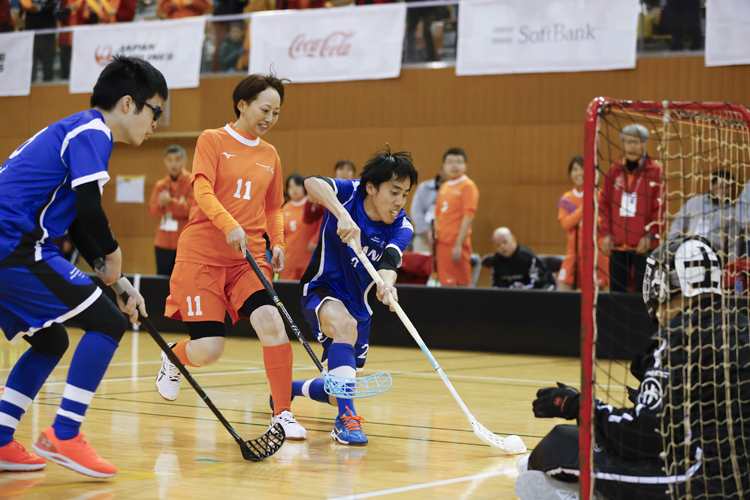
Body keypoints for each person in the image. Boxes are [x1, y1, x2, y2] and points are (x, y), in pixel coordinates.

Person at [0, 55, 164, 478]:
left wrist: (117, 281)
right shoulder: (93, 131)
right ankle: (64, 433)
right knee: (107, 323)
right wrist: (114, 252)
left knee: (50, 340)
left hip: (13, 246)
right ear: (128, 103)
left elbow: (74, 219)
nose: (156, 124)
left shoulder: (78, 130)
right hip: (12, 245)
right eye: (155, 112)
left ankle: (0, 438)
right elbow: (91, 211)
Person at [515, 236, 750, 500]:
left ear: (665, 284)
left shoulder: (677, 338)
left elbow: (640, 436)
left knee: (559, 444)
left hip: (702, 483)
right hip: (741, 476)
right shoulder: (740, 324)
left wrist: (576, 405)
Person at [155, 73, 307, 441]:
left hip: (248, 258)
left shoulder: (270, 155)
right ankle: (174, 356)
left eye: (276, 112)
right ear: (242, 104)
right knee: (209, 350)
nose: (270, 118)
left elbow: (273, 207)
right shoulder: (212, 140)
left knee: (272, 322)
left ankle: (282, 413)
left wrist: (278, 242)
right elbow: (202, 190)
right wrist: (228, 225)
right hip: (202, 256)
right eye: (264, 109)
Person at [285, 148, 417, 445]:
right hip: (322, 289)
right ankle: (345, 421)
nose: (399, 202)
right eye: (394, 192)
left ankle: (289, 389)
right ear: (371, 188)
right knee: (345, 327)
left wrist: (387, 285)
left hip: (360, 308)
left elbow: (389, 264)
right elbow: (311, 183)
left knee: (339, 392)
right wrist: (342, 215)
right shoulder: (350, 193)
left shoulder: (402, 225)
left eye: (405, 195)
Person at [599, 124, 664, 293]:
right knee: (616, 294)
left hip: (645, 246)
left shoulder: (656, 171)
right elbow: (604, 204)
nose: (632, 146)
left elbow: (661, 208)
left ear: (645, 144)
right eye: (628, 142)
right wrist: (607, 234)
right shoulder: (614, 170)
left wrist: (650, 235)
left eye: (637, 142)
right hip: (618, 246)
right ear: (623, 144)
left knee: (645, 294)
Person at [556, 155, 609, 290]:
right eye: (575, 169)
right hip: (573, 254)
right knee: (561, 290)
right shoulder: (566, 198)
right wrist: (585, 207)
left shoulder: (599, 195)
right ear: (570, 173)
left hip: (595, 253)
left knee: (597, 295)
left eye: (583, 169)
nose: (579, 173)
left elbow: (602, 224)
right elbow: (566, 223)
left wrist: (578, 216)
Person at [669, 169, 737, 261]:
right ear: (713, 185)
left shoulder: (731, 212)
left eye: (728, 187)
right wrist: (672, 245)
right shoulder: (695, 201)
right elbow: (678, 222)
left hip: (712, 256)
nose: (724, 190)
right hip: (688, 251)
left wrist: (732, 263)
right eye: (721, 186)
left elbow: (734, 242)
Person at [433, 148, 478, 286]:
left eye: (458, 162)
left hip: (457, 245)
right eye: (450, 162)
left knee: (463, 284)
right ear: (443, 166)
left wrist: (458, 245)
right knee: (444, 283)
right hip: (441, 244)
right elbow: (437, 214)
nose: (454, 165)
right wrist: (435, 234)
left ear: (465, 165)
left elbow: (468, 216)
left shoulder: (468, 186)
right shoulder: (444, 187)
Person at [148, 145, 194, 276]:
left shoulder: (192, 182)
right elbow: (152, 212)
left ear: (184, 161)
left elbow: (190, 210)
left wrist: (170, 203)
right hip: (162, 243)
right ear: (165, 162)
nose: (173, 164)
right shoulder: (160, 185)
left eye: (177, 159)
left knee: (183, 280)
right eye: (169, 160)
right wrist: (161, 205)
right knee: (162, 282)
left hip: (184, 244)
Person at [279, 174, 321, 281]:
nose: (294, 190)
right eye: (290, 187)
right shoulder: (285, 208)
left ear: (304, 187)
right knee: (287, 288)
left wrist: (315, 240)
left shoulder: (312, 204)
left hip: (308, 256)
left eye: (297, 185)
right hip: (290, 259)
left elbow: (321, 225)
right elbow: (280, 233)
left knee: (307, 286)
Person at [490, 227, 555, 290]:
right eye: (498, 245)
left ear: (513, 239)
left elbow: (538, 283)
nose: (502, 246)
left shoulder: (528, 257)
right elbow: (496, 285)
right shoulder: (496, 261)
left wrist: (522, 289)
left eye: (505, 242)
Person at [409, 162, 446, 253]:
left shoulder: (458, 191)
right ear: (442, 168)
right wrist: (426, 232)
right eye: (450, 163)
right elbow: (416, 211)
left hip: (447, 239)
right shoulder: (425, 187)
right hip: (423, 238)